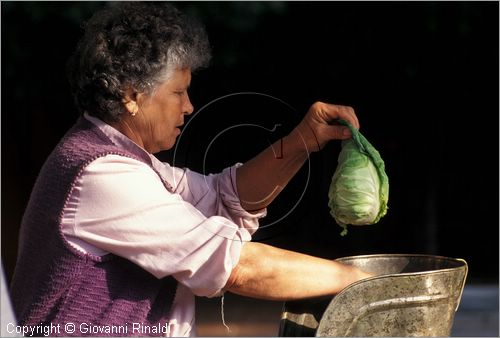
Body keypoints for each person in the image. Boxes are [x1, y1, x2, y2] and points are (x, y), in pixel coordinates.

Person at [10, 2, 370, 337]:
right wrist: (365, 281)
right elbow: (237, 266)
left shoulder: (123, 161)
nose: (189, 106)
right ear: (132, 96)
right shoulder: (99, 177)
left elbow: (224, 195)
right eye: (178, 92)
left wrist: (302, 140)